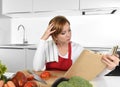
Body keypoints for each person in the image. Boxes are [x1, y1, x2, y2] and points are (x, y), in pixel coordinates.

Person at [33, 15, 120, 76]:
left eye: (69, 30)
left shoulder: (77, 49)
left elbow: (91, 72)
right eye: (63, 33)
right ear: (55, 36)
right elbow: (37, 68)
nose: (68, 35)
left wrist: (109, 68)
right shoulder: (46, 46)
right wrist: (43, 39)